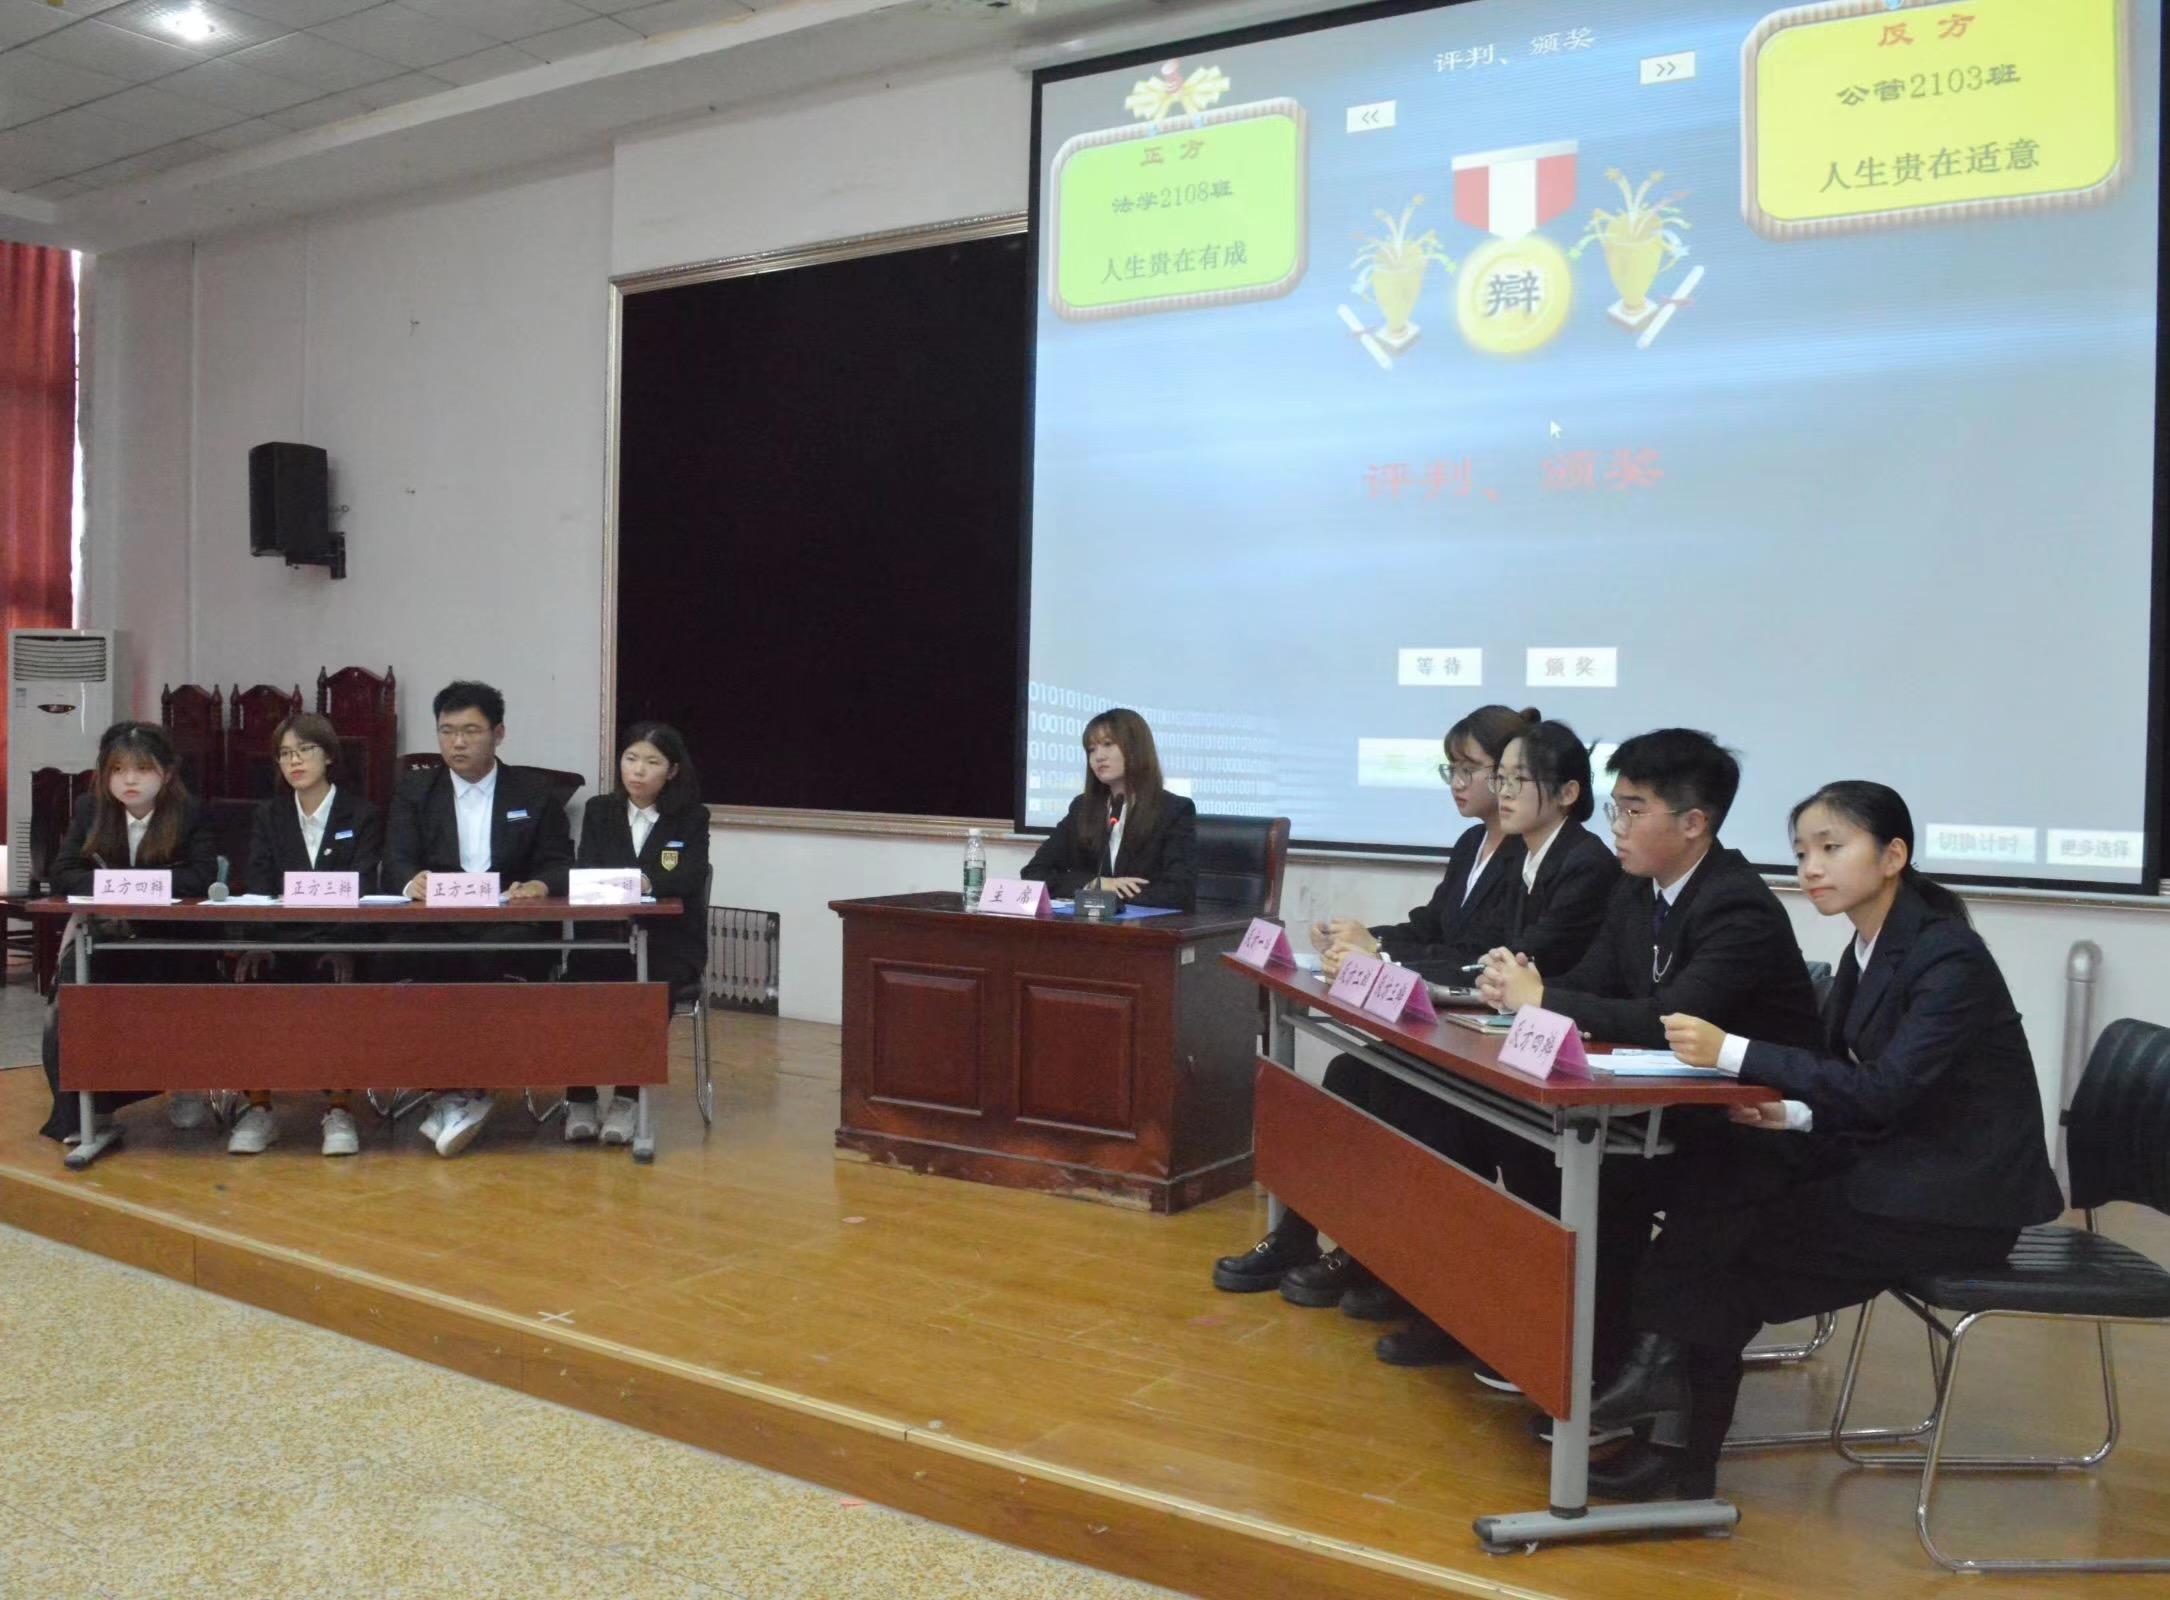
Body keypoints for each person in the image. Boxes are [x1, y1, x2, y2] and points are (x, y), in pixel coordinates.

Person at [1582, 781, 2065, 1504]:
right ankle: (1670, 1443)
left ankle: (1669, 1436)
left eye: (1832, 848)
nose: (1811, 867)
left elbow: (1886, 1090)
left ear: (1893, 856)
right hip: (1896, 1170)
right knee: (1717, 1201)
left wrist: (1733, 1051)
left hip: (1955, 1203)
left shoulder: (1948, 957)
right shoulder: (1870, 947)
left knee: (1719, 1245)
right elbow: (1860, 1085)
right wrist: (1794, 1115)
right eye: (1803, 852)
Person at [1442, 729, 1823, 1383]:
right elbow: (1594, 983)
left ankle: (1599, 1361)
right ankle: (1565, 1340)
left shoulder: (1737, 905)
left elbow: (1667, 1020)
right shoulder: (1637, 888)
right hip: (1671, 1110)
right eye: (1615, 807)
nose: (1615, 826)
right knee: (1529, 1145)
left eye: (1633, 810)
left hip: (1750, 1131)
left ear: (1693, 823)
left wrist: (1545, 999)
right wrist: (1522, 989)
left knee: (1595, 1173)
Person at [1326, 718, 1627, 1364]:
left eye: (1517, 780)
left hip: (1564, 1064)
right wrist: (1379, 950)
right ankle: (1395, 1270)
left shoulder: (1583, 864)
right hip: (1513, 1041)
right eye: (1503, 778)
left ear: (1568, 792)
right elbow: (1478, 953)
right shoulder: (1530, 855)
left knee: (1433, 1111)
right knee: (1369, 1082)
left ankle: (1453, 1304)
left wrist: (1386, 960)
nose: (1504, 792)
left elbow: (1517, 961)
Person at [383, 680, 573, 1157]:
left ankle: (463, 1090)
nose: (457, 743)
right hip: (435, 922)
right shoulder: (416, 790)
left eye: (471, 731)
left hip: (509, 922)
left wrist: (539, 885)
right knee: (421, 961)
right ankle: (458, 1092)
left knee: (491, 957)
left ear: (498, 733)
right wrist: (410, 882)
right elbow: (396, 860)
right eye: (447, 731)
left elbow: (559, 862)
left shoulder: (534, 791)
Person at [38, 722, 220, 1145]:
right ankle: (84, 1107)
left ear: (167, 773)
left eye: (142, 769)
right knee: (72, 1001)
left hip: (173, 940)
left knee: (181, 997)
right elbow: (62, 873)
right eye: (118, 770)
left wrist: (128, 884)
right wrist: (129, 884)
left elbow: (201, 876)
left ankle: (186, 1083)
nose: (129, 780)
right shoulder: (91, 809)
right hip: (107, 937)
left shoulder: (190, 812)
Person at [227, 712, 385, 1157]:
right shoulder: (269, 815)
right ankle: (259, 1108)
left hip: (339, 940)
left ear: (329, 755)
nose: (294, 761)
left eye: (305, 750)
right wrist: (258, 944)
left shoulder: (362, 814)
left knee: (343, 981)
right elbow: (258, 884)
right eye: (285, 754)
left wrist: (342, 946)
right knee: (250, 980)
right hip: (280, 939)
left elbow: (364, 887)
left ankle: (339, 1108)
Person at [564, 722, 710, 1145]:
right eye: (630, 759)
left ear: (672, 770)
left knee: (648, 990)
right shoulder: (600, 810)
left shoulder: (691, 817)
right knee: (576, 986)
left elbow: (689, 876)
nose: (638, 771)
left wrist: (646, 883)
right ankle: (580, 1097)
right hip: (606, 936)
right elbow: (589, 869)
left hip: (669, 941)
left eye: (651, 762)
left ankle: (627, 1099)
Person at [1022, 707, 1196, 912]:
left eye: (1107, 744)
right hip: (1090, 926)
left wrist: (1113, 894)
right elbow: (1033, 873)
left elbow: (1180, 892)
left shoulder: (1173, 810)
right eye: (1091, 749)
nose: (1098, 756)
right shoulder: (1082, 808)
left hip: (1149, 926)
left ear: (1135, 748)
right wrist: (1094, 884)